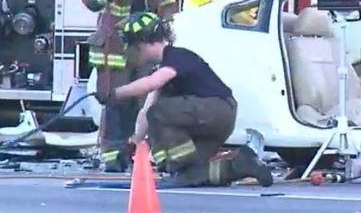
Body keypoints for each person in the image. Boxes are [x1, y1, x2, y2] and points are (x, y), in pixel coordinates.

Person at [102, 11, 273, 188]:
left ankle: (180, 165)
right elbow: (146, 111)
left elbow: (152, 84)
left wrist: (115, 93)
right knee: (194, 174)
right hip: (211, 122)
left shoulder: (176, 56)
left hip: (217, 110)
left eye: (132, 45)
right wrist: (134, 143)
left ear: (144, 42)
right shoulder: (162, 67)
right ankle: (242, 164)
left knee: (159, 112)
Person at [81, 0, 178, 173]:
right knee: (116, 102)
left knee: (143, 102)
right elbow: (89, 0)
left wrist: (165, 24)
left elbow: (169, 5)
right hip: (116, 49)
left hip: (145, 51)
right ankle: (112, 155)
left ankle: (137, 152)